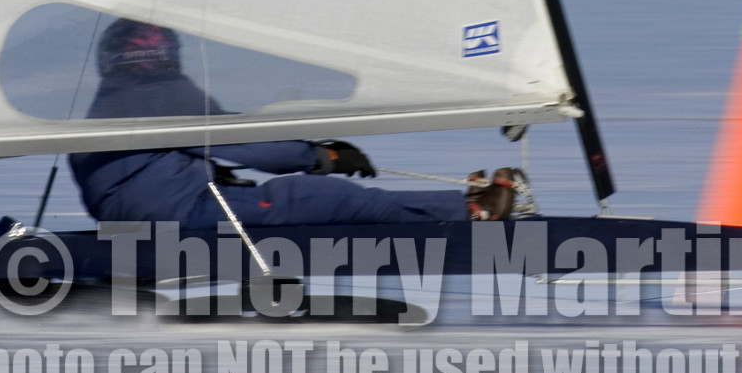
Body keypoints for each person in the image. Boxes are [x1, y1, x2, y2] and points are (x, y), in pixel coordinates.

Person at [68, 19, 517, 228]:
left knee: (270, 194)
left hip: (125, 220)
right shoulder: (164, 93)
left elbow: (138, 170)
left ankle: (462, 207)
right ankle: (468, 212)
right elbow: (244, 144)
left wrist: (215, 175)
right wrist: (320, 156)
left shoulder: (104, 103)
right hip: (179, 218)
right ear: (166, 55)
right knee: (321, 195)